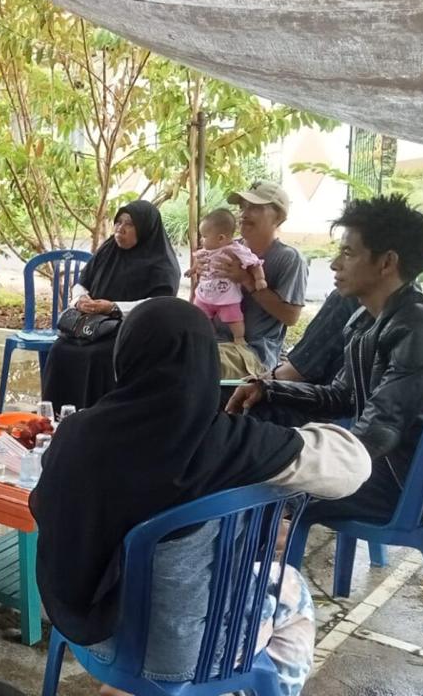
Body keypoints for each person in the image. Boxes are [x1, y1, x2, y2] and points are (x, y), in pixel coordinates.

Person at [33, 297, 370, 695]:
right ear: (206, 360)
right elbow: (353, 467)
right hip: (182, 652)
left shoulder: (76, 433)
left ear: (123, 357)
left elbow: (43, 504)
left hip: (85, 632)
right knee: (291, 591)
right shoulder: (227, 443)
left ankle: (124, 687)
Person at [228, 194, 423, 528]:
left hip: (410, 486)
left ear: (387, 263)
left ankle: (262, 549)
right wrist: (269, 390)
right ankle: (260, 540)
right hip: (390, 466)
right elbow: (341, 396)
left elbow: (379, 433)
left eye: (348, 253)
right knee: (259, 414)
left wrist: (297, 459)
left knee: (262, 480)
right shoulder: (367, 318)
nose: (334, 264)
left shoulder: (419, 333)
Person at [40, 200, 180, 408]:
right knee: (61, 349)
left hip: (132, 331)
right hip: (93, 326)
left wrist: (113, 307)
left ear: (145, 228)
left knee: (98, 356)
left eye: (129, 224)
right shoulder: (108, 250)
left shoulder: (161, 263)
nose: (120, 229)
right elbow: (82, 282)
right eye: (118, 222)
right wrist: (81, 300)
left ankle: (94, 417)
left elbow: (158, 305)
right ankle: (59, 418)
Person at [213, 181, 308, 378]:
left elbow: (290, 317)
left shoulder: (289, 259)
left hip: (252, 352)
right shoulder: (227, 248)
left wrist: (248, 281)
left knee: (198, 363)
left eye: (255, 208)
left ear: (279, 217)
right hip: (212, 340)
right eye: (243, 207)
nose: (244, 214)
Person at [187, 208, 266, 344]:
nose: (201, 239)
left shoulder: (235, 250)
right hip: (204, 295)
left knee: (234, 319)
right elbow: (197, 260)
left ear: (221, 238)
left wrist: (260, 279)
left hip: (227, 297)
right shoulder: (205, 250)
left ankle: (239, 337)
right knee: (200, 317)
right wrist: (193, 270)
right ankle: (208, 336)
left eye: (204, 236)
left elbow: (255, 263)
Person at [270, 289, 365, 384]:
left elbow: (297, 372)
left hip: (327, 388)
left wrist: (271, 376)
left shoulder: (347, 296)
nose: (336, 279)